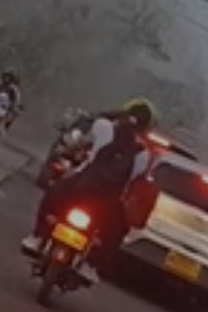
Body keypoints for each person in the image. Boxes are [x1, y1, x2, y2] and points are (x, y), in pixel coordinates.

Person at [21, 98, 159, 282]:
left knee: (52, 194)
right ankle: (91, 264)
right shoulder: (143, 153)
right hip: (108, 199)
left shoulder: (103, 127)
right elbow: (133, 177)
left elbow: (94, 121)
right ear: (147, 127)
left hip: (81, 184)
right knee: (119, 229)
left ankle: (38, 237)